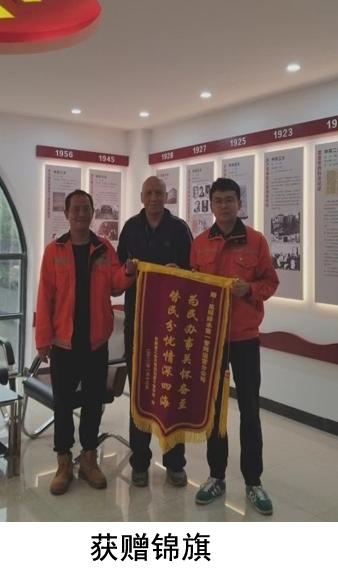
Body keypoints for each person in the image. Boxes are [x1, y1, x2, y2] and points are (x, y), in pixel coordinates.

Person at [36, 190, 136, 496]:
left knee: (93, 405)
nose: (81, 214)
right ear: (66, 214)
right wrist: (42, 340)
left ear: (93, 212)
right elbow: (44, 297)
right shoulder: (55, 250)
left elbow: (116, 285)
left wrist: (128, 273)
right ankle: (64, 462)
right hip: (63, 344)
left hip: (95, 344)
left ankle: (90, 460)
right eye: (75, 209)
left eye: (86, 209)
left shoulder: (104, 248)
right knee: (63, 406)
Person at [190, 178, 279, 516]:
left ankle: (253, 481)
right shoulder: (200, 243)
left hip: (244, 339)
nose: (224, 205)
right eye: (218, 200)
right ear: (211, 205)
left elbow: (270, 282)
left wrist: (250, 290)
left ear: (239, 203)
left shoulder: (256, 241)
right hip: (210, 340)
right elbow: (192, 285)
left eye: (229, 200)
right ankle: (216, 476)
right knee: (214, 411)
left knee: (250, 411)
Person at [118, 176, 194, 488]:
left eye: (159, 193)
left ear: (166, 197)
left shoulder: (179, 229)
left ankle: (175, 463)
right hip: (138, 324)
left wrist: (181, 273)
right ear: (141, 196)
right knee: (140, 394)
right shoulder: (130, 228)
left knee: (172, 393)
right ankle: (139, 462)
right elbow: (119, 271)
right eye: (149, 193)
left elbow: (194, 274)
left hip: (172, 325)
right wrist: (128, 272)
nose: (153, 198)